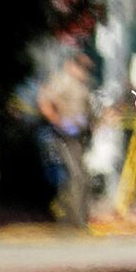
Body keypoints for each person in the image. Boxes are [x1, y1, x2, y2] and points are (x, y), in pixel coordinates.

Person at [37, 52, 95, 226]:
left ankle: (78, 218)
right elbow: (45, 104)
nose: (85, 71)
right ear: (71, 65)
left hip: (80, 134)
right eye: (82, 67)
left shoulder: (83, 84)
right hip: (65, 135)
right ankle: (73, 219)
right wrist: (60, 123)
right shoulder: (62, 81)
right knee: (75, 176)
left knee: (80, 176)